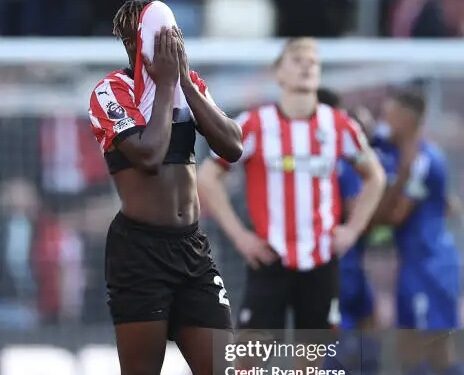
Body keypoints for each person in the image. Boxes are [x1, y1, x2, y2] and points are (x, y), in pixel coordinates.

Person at [88, 1, 242, 374]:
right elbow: (149, 156)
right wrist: (166, 85)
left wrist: (184, 83)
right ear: (134, 41)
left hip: (191, 249)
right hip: (140, 253)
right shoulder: (110, 92)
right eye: (161, 35)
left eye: (175, 35)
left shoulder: (189, 86)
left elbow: (233, 146)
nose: (171, 42)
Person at [198, 38, 386, 332]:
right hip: (270, 258)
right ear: (279, 74)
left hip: (321, 261)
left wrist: (352, 230)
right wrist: (240, 236)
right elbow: (207, 177)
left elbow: (375, 176)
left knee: (311, 360)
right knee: (251, 357)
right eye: (297, 60)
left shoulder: (339, 125)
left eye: (313, 62)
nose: (307, 66)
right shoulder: (253, 124)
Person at [372, 89, 462, 375]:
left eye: (389, 115)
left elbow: (396, 216)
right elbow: (447, 204)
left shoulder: (422, 160)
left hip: (431, 264)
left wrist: (366, 218)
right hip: (412, 263)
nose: (383, 121)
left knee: (435, 345)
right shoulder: (396, 151)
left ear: (406, 120)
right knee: (408, 344)